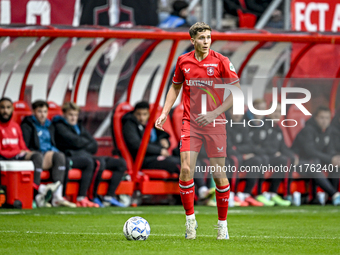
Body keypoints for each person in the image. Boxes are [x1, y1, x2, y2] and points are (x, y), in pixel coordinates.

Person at [155, 22, 241, 240]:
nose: (206, 41)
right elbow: (175, 87)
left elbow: (236, 93)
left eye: (209, 37)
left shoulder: (221, 61)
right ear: (192, 40)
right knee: (185, 170)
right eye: (202, 38)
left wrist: (213, 114)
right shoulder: (183, 61)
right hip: (190, 123)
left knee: (219, 175)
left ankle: (222, 224)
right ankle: (190, 221)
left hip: (215, 123)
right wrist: (164, 112)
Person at [123, 101, 215, 206]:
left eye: (144, 114)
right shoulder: (129, 124)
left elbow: (163, 134)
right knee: (180, 164)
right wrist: (159, 150)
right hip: (145, 160)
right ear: (134, 114)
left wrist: (164, 140)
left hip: (159, 157)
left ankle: (203, 190)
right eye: (139, 114)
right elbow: (136, 145)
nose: (141, 117)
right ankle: (196, 197)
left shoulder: (149, 124)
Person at [53, 102, 126, 208]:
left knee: (120, 163)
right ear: (64, 114)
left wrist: (82, 144)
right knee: (96, 162)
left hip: (85, 154)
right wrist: (84, 144)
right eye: (70, 115)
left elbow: (94, 145)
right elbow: (74, 142)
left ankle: (109, 197)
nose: (74, 118)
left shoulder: (79, 127)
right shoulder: (59, 126)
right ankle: (87, 197)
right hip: (70, 156)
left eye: (75, 115)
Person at [0, 97, 59, 208]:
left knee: (36, 156)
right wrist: (17, 152)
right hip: (4, 158)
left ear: (12, 109)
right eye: (2, 108)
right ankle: (40, 190)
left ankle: (35, 194)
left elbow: (23, 146)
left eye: (8, 108)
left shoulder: (15, 126)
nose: (5, 111)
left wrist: (24, 152)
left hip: (16, 156)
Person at [21, 100, 76, 208]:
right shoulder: (27, 124)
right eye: (40, 111)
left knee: (60, 156)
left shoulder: (49, 125)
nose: (43, 115)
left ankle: (57, 197)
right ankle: (35, 196)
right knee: (38, 157)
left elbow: (53, 142)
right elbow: (26, 145)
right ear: (33, 112)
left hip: (46, 155)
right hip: (33, 155)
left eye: (45, 112)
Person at [292, 106, 340, 205]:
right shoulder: (308, 130)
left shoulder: (328, 131)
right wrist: (330, 158)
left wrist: (335, 158)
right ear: (315, 118)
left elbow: (330, 150)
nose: (324, 121)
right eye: (322, 117)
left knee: (335, 166)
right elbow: (310, 151)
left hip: (315, 161)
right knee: (314, 166)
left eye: (327, 118)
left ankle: (330, 200)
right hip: (298, 162)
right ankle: (335, 194)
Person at [225, 108, 264, 207]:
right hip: (226, 158)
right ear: (229, 112)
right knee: (235, 159)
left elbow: (249, 146)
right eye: (234, 111)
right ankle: (231, 194)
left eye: (239, 112)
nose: (237, 115)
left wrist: (238, 149)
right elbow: (228, 148)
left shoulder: (244, 125)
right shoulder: (224, 125)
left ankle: (246, 194)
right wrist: (242, 153)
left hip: (241, 156)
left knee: (256, 160)